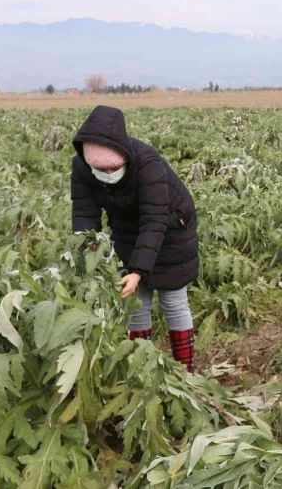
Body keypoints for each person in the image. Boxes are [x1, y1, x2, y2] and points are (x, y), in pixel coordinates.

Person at [70, 105, 199, 372]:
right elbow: (84, 213)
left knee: (173, 301)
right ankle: (141, 369)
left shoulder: (147, 163)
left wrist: (138, 270)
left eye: (114, 168)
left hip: (172, 225)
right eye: (100, 169)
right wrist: (88, 255)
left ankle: (186, 372)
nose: (108, 175)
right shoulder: (82, 167)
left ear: (125, 157)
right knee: (134, 301)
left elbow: (154, 220)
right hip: (127, 229)